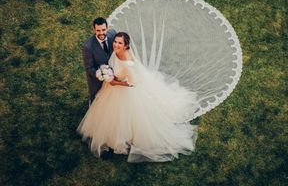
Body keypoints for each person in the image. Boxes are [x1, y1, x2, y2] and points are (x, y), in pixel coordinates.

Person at [77, 32, 199, 162]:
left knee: (123, 116)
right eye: (115, 42)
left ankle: (121, 137)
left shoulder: (128, 63)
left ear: (126, 46)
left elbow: (132, 83)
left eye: (120, 43)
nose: (116, 45)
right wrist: (109, 75)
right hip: (112, 86)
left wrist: (114, 82)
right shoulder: (116, 51)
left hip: (124, 91)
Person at [82, 17, 116, 104]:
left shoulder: (112, 34)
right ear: (94, 30)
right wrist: (102, 74)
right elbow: (89, 68)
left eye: (103, 30)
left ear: (107, 28)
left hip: (114, 75)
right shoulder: (88, 47)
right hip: (98, 81)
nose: (101, 33)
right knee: (98, 101)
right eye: (98, 30)